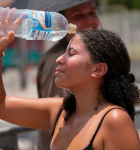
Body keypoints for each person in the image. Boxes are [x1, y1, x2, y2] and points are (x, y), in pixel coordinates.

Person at [0, 10, 140, 149]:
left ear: (97, 69)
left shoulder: (115, 121)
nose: (59, 59)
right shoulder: (60, 112)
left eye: (71, 53)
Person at [37, 0, 99, 148]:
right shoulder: (59, 61)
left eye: (92, 13)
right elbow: (62, 116)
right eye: (78, 16)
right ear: (62, 24)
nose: (89, 20)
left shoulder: (94, 54)